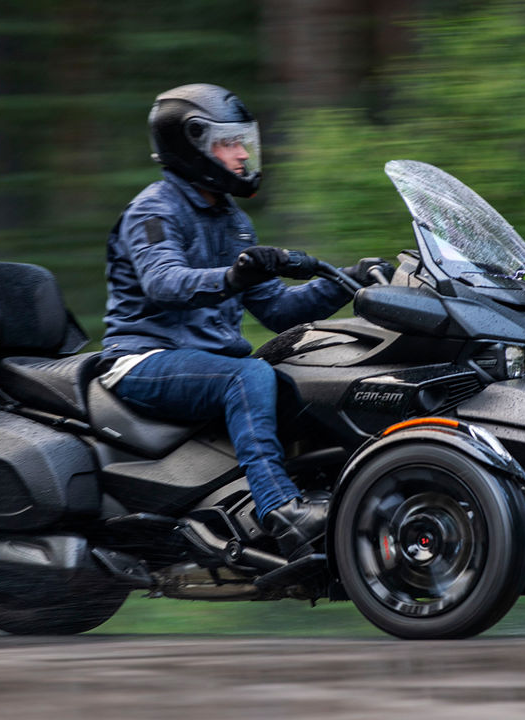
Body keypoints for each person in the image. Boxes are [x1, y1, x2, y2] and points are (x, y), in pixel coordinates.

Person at [99, 83, 388, 559]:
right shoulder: (153, 210)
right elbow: (163, 282)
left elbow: (278, 311)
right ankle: (281, 511)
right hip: (143, 359)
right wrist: (234, 273)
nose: (240, 154)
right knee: (250, 374)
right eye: (227, 144)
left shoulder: (233, 221)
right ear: (190, 146)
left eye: (241, 142)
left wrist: (347, 279)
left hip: (205, 363)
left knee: (314, 370)